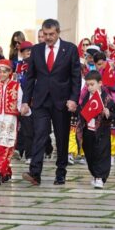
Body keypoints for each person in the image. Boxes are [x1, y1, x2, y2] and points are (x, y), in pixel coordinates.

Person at [21, 18, 82, 186]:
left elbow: (76, 77)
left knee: (61, 138)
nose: (48, 37)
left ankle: (60, 172)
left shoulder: (69, 49)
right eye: (45, 34)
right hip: (41, 101)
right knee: (39, 134)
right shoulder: (37, 50)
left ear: (58, 33)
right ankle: (35, 173)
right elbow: (30, 77)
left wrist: (73, 99)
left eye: (51, 34)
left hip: (62, 101)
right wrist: (26, 101)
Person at [76, 70, 115, 189]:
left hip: (102, 130)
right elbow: (81, 111)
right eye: (87, 85)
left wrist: (108, 113)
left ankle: (100, 177)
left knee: (102, 153)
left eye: (92, 84)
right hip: (88, 129)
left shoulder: (106, 98)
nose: (90, 87)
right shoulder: (85, 97)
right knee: (89, 153)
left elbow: (114, 113)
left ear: (100, 83)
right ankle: (95, 175)